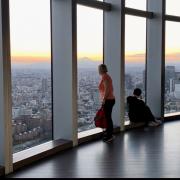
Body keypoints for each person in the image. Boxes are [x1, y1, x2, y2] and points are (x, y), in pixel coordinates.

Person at [98, 64, 115, 142]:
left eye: (99, 69)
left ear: (101, 70)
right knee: (108, 118)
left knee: (108, 118)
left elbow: (107, 89)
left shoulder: (105, 77)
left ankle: (109, 136)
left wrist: (104, 99)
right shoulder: (107, 76)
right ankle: (109, 134)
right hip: (110, 99)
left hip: (108, 100)